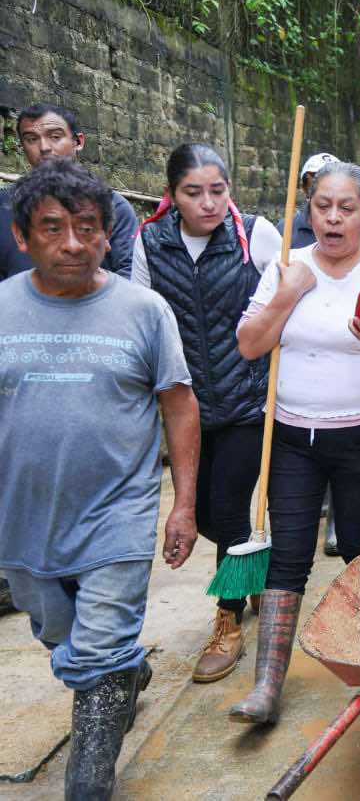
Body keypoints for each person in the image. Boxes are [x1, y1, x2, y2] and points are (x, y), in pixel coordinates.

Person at [0, 159, 200, 797]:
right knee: (61, 636)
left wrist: (183, 505)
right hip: (22, 520)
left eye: (87, 228)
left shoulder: (144, 311)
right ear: (21, 236)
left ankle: (88, 784)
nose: (73, 244)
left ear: (108, 236)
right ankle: (121, 674)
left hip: (118, 513)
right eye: (53, 229)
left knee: (98, 651)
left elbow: (179, 403)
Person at [230, 162, 360, 724]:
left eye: (346, 207)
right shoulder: (286, 267)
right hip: (292, 435)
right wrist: (287, 295)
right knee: (289, 555)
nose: (334, 217)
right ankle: (268, 686)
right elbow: (250, 345)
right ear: (309, 211)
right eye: (323, 206)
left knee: (357, 539)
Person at [132, 144, 283, 683]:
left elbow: (288, 295)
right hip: (187, 407)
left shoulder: (255, 234)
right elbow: (142, 319)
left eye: (217, 190)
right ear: (171, 195)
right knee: (215, 519)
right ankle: (255, 574)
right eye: (193, 193)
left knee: (226, 509)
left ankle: (227, 621)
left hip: (246, 399)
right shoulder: (149, 244)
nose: (208, 203)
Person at [276, 151, 343, 556]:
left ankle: (337, 520)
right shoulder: (287, 232)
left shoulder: (353, 227)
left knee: (341, 440)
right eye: (312, 181)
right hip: (299, 354)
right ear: (304, 190)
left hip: (344, 353)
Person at [0, 103, 139, 280]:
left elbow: (128, 272)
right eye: (32, 139)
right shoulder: (4, 204)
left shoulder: (113, 206)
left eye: (55, 136)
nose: (44, 147)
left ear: (78, 142)